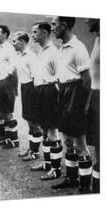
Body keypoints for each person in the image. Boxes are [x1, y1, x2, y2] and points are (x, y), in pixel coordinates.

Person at [50, 16, 92, 193]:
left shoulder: (78, 47)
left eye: (54, 24)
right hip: (64, 93)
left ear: (64, 25)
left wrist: (84, 105)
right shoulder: (61, 48)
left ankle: (84, 185)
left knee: (79, 143)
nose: (52, 28)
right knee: (67, 140)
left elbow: (87, 80)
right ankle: (71, 178)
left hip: (76, 94)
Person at [29, 22, 63, 181]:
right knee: (44, 130)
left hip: (50, 93)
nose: (32, 35)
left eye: (35, 32)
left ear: (44, 33)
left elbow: (61, 77)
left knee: (52, 132)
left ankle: (56, 169)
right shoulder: (41, 51)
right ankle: (47, 163)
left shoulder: (54, 52)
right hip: (40, 92)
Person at [10, 31, 43, 161]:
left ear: (22, 42)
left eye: (15, 41)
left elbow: (37, 77)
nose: (13, 44)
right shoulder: (20, 56)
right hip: (25, 88)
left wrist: (35, 96)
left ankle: (35, 152)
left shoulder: (31, 56)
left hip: (32, 89)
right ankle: (31, 149)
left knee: (34, 123)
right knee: (29, 122)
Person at [85, 18, 100, 193]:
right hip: (95, 95)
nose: (87, 20)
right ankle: (97, 189)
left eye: (90, 17)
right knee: (97, 144)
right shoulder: (97, 39)